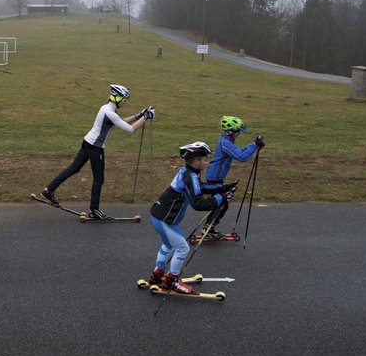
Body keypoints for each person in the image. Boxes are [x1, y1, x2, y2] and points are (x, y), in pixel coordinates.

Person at [41, 84, 154, 219]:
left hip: (87, 142)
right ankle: (94, 210)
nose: (124, 103)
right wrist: (145, 117)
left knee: (73, 168)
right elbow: (130, 129)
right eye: (124, 100)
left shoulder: (106, 108)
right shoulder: (110, 113)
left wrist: (139, 115)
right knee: (98, 179)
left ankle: (49, 190)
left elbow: (119, 121)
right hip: (95, 148)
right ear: (117, 98)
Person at [146, 142, 233, 294]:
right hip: (164, 220)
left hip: (160, 217)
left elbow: (201, 187)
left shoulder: (189, 172)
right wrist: (221, 198)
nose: (208, 162)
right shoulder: (189, 176)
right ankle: (171, 282)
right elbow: (198, 204)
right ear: (197, 161)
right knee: (182, 248)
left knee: (168, 246)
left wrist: (224, 187)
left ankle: (157, 275)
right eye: (205, 160)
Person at [202, 115, 265, 238]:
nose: (239, 134)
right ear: (231, 132)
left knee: (222, 204)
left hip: (216, 176)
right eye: (238, 132)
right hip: (214, 177)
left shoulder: (226, 141)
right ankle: (208, 228)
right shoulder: (225, 143)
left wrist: (254, 145)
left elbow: (239, 151)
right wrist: (254, 146)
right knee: (222, 203)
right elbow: (242, 157)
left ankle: (209, 227)